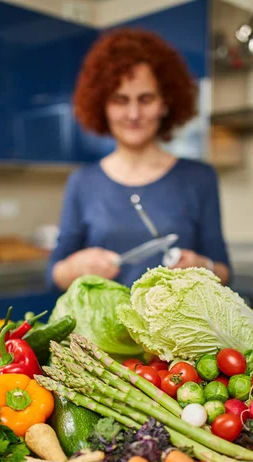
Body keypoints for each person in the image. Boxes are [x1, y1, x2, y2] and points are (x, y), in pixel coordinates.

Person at [46, 28, 231, 293]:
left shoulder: (200, 178)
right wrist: (75, 268)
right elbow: (53, 275)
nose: (133, 114)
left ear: (165, 103)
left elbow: (224, 270)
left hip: (174, 334)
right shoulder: (82, 182)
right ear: (103, 106)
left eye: (146, 99)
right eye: (120, 100)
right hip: (102, 335)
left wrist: (204, 267)